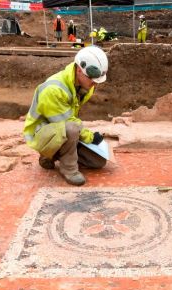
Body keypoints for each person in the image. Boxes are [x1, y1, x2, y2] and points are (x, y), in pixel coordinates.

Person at [23, 46, 109, 186]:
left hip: (61, 129)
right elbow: (67, 121)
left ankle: (54, 155)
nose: (94, 83)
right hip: (41, 134)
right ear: (79, 70)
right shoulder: (53, 89)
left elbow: (69, 117)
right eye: (92, 79)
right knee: (72, 128)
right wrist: (90, 137)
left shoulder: (84, 85)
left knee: (97, 161)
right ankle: (68, 168)